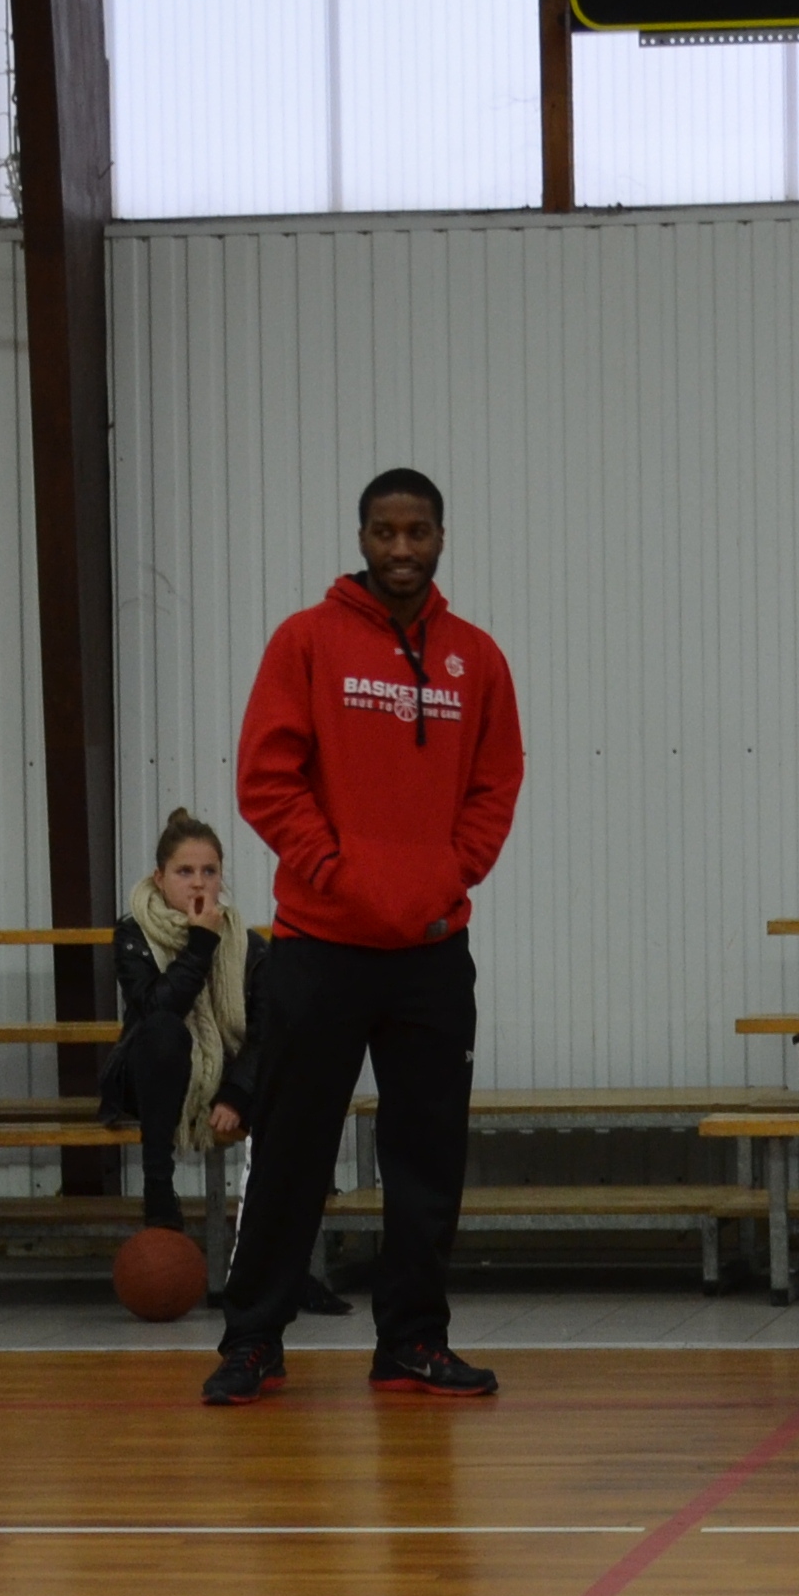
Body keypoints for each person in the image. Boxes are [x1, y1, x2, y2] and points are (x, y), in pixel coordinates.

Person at [201, 466, 526, 1409]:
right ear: (361, 537)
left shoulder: (477, 658)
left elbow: (494, 787)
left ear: (440, 537)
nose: (400, 549)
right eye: (384, 532)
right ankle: (255, 1337)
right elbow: (268, 780)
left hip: (430, 950)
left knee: (426, 1159)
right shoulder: (305, 642)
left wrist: (446, 875)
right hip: (320, 946)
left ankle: (414, 1341)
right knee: (292, 1150)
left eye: (417, 531)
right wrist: (338, 873)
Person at [104, 807, 258, 1236]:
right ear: (160, 878)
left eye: (209, 871)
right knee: (163, 1029)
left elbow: (264, 1031)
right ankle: (158, 1188)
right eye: (184, 871)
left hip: (224, 1075)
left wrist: (235, 1094)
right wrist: (200, 945)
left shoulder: (246, 943)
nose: (198, 882)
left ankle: (284, 1249)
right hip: (149, 1074)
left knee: (296, 1080)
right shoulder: (134, 935)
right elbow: (158, 1009)